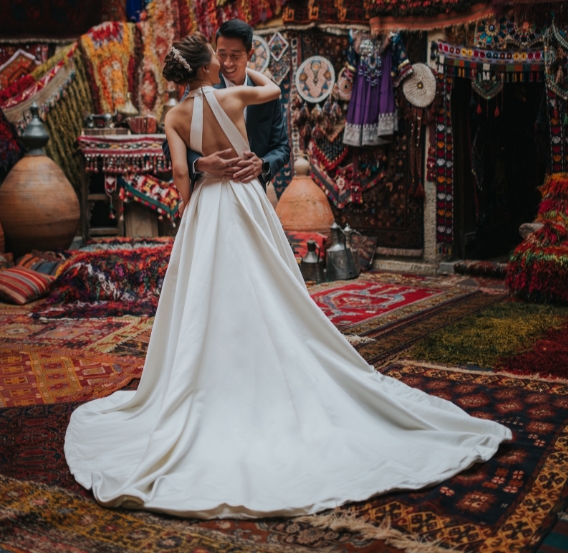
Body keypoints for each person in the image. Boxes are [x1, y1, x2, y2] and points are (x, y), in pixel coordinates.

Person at [63, 35, 510, 518]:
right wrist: (241, 75)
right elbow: (274, 88)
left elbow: (179, 175)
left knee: (206, 294)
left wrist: (196, 187)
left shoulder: (172, 117)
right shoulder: (234, 95)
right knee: (266, 283)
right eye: (216, 58)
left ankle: (210, 370)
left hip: (209, 205)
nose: (224, 62)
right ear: (205, 66)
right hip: (244, 200)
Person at [185, 19, 289, 188]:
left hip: (252, 191)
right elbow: (172, 143)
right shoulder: (200, 87)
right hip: (210, 191)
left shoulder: (266, 94)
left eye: (235, 56)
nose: (227, 63)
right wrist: (200, 163)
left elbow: (281, 148)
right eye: (222, 54)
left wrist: (262, 164)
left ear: (250, 55)